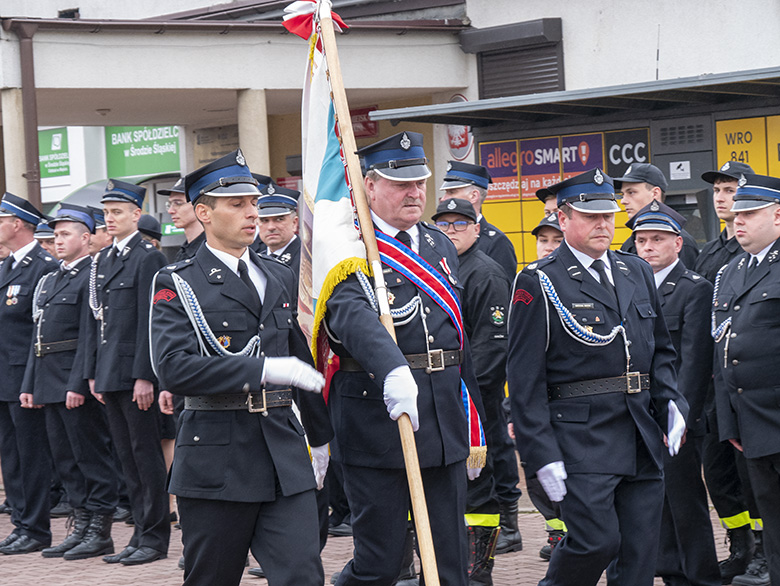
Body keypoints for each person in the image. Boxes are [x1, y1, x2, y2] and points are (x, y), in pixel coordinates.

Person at [150, 149, 331, 586]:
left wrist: (321, 439)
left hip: (283, 451)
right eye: (237, 204)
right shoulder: (178, 281)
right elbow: (174, 369)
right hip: (217, 454)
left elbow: (298, 360)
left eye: (254, 203)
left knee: (302, 575)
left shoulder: (279, 274)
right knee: (213, 577)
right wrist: (263, 370)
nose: (253, 213)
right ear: (203, 213)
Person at [507, 168, 687, 586]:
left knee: (640, 556)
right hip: (580, 438)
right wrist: (539, 451)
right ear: (564, 218)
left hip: (639, 433)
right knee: (596, 542)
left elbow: (660, 350)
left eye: (608, 214)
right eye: (591, 216)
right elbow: (524, 377)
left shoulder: (634, 271)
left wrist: (673, 402)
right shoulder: (539, 280)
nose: (604, 224)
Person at [325, 132, 484, 586]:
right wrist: (393, 368)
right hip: (379, 418)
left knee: (449, 558)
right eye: (401, 184)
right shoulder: (350, 247)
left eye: (420, 182)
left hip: (442, 419)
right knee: (382, 560)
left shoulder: (436, 245)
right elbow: (351, 316)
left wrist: (473, 418)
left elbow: (458, 339)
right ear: (369, 186)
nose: (415, 193)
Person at [628, 200, 720, 586]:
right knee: (654, 501)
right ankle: (670, 570)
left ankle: (702, 576)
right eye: (641, 240)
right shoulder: (631, 286)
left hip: (676, 416)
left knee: (685, 502)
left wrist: (678, 416)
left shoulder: (693, 289)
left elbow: (695, 361)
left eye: (658, 240)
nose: (647, 247)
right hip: (640, 414)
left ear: (678, 244)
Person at [20, 204, 118, 560]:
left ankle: (100, 529)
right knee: (66, 460)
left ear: (86, 238)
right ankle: (80, 522)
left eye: (64, 234)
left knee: (91, 457)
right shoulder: (52, 278)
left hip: (73, 383)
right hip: (48, 378)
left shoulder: (91, 276)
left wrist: (77, 384)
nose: (57, 241)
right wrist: (30, 383)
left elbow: (90, 335)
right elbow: (38, 336)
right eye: (55, 235)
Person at [82, 179, 170, 566]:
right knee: (126, 458)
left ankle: (154, 537)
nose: (110, 219)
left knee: (145, 456)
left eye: (118, 212)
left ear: (137, 214)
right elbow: (97, 323)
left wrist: (146, 376)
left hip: (136, 374)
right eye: (106, 213)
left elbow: (152, 321)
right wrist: (93, 373)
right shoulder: (105, 259)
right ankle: (137, 532)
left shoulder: (146, 256)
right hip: (111, 373)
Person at [432, 197, 514, 582]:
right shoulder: (435, 267)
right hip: (438, 402)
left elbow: (492, 348)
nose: (451, 231)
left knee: (479, 492)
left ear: (477, 228)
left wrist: (457, 392)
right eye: (444, 224)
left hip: (475, 406)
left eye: (460, 224)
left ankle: (479, 572)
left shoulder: (486, 273)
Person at [696, 161, 764, 585]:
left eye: (730, 189)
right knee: (718, 472)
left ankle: (761, 551)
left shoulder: (757, 250)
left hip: (749, 386)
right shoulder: (710, 253)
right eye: (718, 190)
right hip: (712, 381)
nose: (722, 198)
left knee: (750, 475)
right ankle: (740, 544)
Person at [712, 172, 780, 586]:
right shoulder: (731, 270)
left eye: (749, 213)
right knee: (772, 526)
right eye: (736, 214)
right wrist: (730, 421)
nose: (738, 221)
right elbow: (720, 350)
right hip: (752, 424)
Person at [0, 192, 58, 555]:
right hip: (3, 376)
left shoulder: (43, 266)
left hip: (25, 377)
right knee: (11, 455)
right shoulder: (6, 267)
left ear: (17, 224)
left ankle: (36, 527)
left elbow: (42, 330)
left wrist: (36, 379)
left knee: (32, 454)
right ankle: (21, 522)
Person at [439, 161, 517, 282]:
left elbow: (501, 288)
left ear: (474, 196)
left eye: (452, 192)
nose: (444, 198)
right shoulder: (437, 235)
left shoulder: (497, 242)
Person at [614, 163, 699, 268]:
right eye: (623, 194)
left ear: (655, 194)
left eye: (631, 192)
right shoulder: (629, 244)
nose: (623, 201)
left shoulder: (681, 241)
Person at [255, 182, 301, 275]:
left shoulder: (307, 259)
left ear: (294, 223)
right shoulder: (255, 260)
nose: (271, 227)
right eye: (264, 220)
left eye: (279, 219)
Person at [160, 178, 206, 262]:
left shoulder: (210, 250)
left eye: (178, 203)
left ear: (199, 206)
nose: (170, 211)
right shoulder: (183, 251)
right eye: (169, 204)